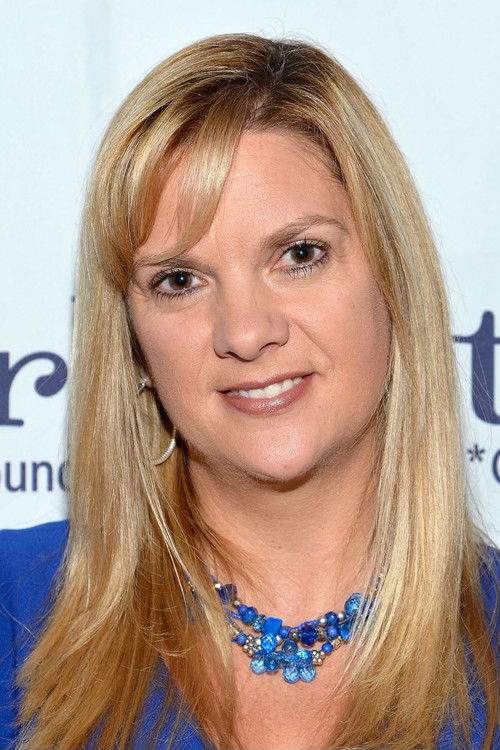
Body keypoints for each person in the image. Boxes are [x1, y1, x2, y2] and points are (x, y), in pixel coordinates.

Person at [0, 32, 498, 750]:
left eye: (299, 254)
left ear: (394, 280)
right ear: (135, 344)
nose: (245, 331)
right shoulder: (14, 609)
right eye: (180, 280)